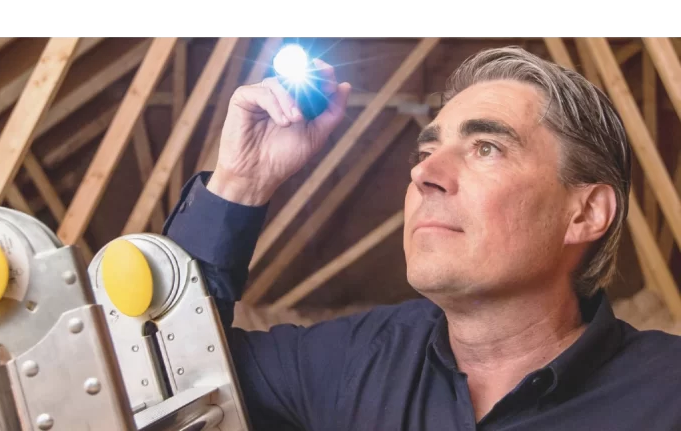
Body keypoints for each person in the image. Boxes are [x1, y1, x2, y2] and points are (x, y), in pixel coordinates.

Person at [161, 46, 681, 430]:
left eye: (485, 149)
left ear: (586, 213)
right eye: (424, 152)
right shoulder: (354, 361)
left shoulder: (666, 396)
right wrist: (240, 183)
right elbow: (161, 378)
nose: (424, 174)